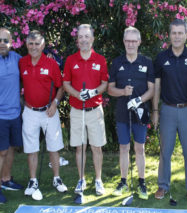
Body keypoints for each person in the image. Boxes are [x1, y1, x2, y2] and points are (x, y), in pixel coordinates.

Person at [152, 19, 187, 203]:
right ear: (169, 35)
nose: (177, 36)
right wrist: (155, 110)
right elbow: (156, 86)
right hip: (168, 111)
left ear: (186, 35)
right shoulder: (162, 57)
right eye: (174, 33)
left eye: (181, 33)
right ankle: (163, 186)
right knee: (166, 151)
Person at [19, 30, 67, 200]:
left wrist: (55, 103)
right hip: (30, 111)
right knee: (31, 148)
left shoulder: (51, 64)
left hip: (49, 111)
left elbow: (61, 87)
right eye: (31, 44)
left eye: (37, 44)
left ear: (43, 45)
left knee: (54, 146)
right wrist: (22, 102)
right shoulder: (22, 63)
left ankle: (56, 178)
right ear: (27, 45)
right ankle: (33, 181)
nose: (33, 47)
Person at [108, 27, 154, 200]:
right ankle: (123, 181)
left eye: (134, 41)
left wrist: (139, 99)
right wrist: (123, 92)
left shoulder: (147, 62)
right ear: (124, 42)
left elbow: (152, 89)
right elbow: (110, 89)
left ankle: (142, 182)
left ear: (139, 42)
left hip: (140, 112)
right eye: (128, 40)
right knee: (124, 147)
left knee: (140, 148)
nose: (131, 44)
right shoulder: (117, 62)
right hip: (122, 112)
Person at [63, 24, 108, 196]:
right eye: (80, 37)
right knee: (80, 147)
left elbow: (104, 83)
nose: (83, 40)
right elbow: (66, 83)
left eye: (86, 36)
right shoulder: (71, 60)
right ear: (77, 40)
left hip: (95, 110)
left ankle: (98, 180)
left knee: (97, 147)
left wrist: (93, 92)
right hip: (76, 110)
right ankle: (81, 179)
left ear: (92, 39)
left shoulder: (100, 60)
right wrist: (77, 94)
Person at [0, 28, 24, 203]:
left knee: (10, 149)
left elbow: (32, 65)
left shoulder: (17, 59)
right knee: (1, 152)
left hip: (15, 113)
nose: (2, 43)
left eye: (5, 40)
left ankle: (6, 179)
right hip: (0, 115)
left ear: (11, 42)